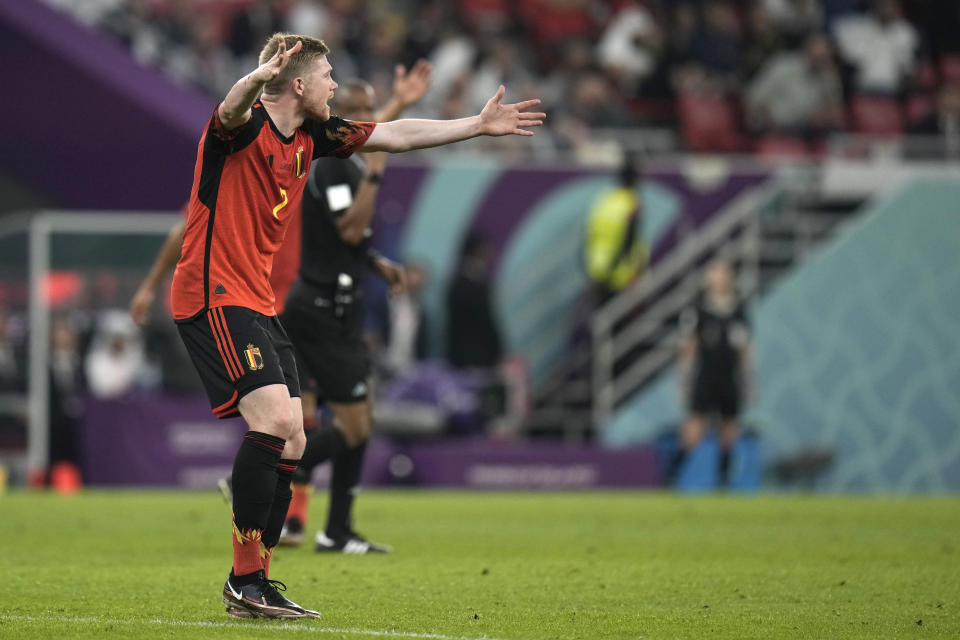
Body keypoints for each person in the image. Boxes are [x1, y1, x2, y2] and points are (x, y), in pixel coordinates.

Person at [163, 32, 543, 620]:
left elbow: (395, 134)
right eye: (328, 76)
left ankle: (256, 581)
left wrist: (475, 125)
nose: (335, 85)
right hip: (210, 294)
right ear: (297, 82)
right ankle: (243, 580)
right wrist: (258, 77)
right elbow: (232, 105)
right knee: (279, 419)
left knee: (295, 437)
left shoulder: (313, 135)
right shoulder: (240, 128)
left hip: (257, 302)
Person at [277, 67, 432, 554]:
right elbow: (347, 228)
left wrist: (375, 262)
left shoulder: (351, 163)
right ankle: (277, 474)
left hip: (338, 311)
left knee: (357, 423)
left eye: (371, 111)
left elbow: (348, 243)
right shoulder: (334, 166)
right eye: (359, 112)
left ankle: (336, 530)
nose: (367, 119)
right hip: (319, 311)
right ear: (342, 117)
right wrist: (380, 170)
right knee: (352, 426)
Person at [670, 259, 753, 488]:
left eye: (720, 272)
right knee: (695, 427)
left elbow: (745, 348)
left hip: (730, 375)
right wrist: (684, 378)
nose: (715, 277)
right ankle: (671, 475)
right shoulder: (697, 309)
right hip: (706, 375)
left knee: (729, 428)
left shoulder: (738, 309)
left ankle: (723, 481)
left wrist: (749, 379)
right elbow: (689, 346)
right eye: (712, 272)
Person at [584, 155, 647, 306]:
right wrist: (634, 269)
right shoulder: (632, 203)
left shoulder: (605, 201)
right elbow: (630, 239)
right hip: (621, 274)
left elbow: (589, 234)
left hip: (597, 269)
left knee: (601, 317)